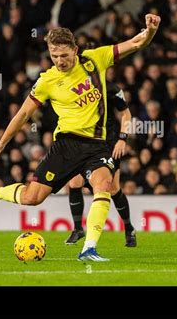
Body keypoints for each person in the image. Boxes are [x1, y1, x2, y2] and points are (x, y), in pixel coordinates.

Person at [0, 14, 161, 261]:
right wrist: (1, 144)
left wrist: (150, 31)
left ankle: (89, 248)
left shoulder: (95, 59)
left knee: (104, 185)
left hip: (97, 146)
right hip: (66, 145)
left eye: (64, 55)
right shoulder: (47, 80)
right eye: (54, 56)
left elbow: (135, 43)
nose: (59, 61)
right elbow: (24, 113)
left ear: (76, 50)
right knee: (31, 198)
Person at [65, 82, 137, 247]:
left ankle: (129, 228)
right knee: (74, 182)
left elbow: (126, 114)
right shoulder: (74, 87)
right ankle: (77, 229)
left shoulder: (111, 88)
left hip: (108, 145)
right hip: (82, 144)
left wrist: (122, 138)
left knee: (113, 189)